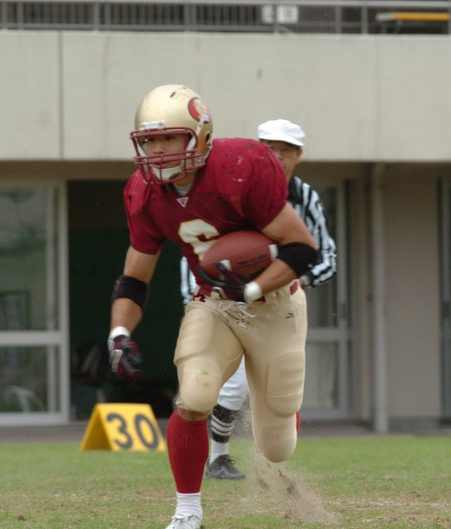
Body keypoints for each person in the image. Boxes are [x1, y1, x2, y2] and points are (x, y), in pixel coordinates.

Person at [108, 84, 319, 529]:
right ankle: (187, 512)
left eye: (169, 138)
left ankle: (281, 411)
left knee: (276, 446)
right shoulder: (143, 193)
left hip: (275, 303)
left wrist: (252, 287)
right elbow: (134, 278)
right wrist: (119, 334)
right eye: (150, 140)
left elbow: (302, 248)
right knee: (194, 397)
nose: (158, 151)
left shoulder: (242, 167)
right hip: (213, 303)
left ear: (201, 137)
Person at [179, 119, 337, 480]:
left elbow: (325, 255)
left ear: (298, 155)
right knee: (230, 387)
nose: (277, 156)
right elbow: (200, 251)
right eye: (270, 148)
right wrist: (199, 296)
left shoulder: (305, 197)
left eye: (285, 150)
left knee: (282, 390)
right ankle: (218, 456)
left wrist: (285, 278)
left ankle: (271, 460)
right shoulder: (229, 188)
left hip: (281, 305)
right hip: (224, 302)